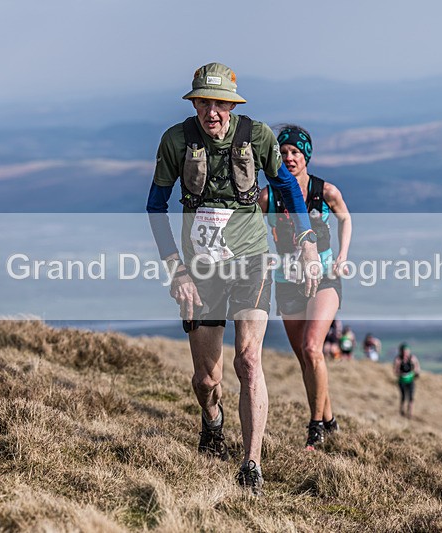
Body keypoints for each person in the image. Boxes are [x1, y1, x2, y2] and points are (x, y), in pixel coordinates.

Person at [145, 63, 321, 495]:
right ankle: (212, 420)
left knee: (248, 360)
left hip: (251, 262)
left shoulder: (257, 137)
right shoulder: (176, 141)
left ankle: (251, 464)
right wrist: (176, 269)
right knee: (207, 380)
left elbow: (288, 188)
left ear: (232, 105)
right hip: (200, 270)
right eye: (204, 102)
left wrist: (307, 240)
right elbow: (156, 206)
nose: (213, 112)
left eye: (220, 103)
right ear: (196, 104)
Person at [258, 124, 352, 450]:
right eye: (283, 153)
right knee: (305, 357)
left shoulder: (324, 191)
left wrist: (342, 255)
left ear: (306, 155)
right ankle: (329, 420)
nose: (289, 158)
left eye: (295, 152)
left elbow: (345, 218)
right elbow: (250, 229)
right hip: (287, 281)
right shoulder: (269, 196)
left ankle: (315, 428)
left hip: (325, 275)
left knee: (313, 348)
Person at [393, 343, 420, 418]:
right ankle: (402, 411)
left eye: (407, 351)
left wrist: (416, 373)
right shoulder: (398, 359)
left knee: (411, 397)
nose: (405, 353)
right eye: (404, 351)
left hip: (410, 380)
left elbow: (417, 366)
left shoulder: (412, 358)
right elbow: (395, 370)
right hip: (402, 381)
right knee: (403, 397)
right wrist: (400, 373)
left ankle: (410, 413)